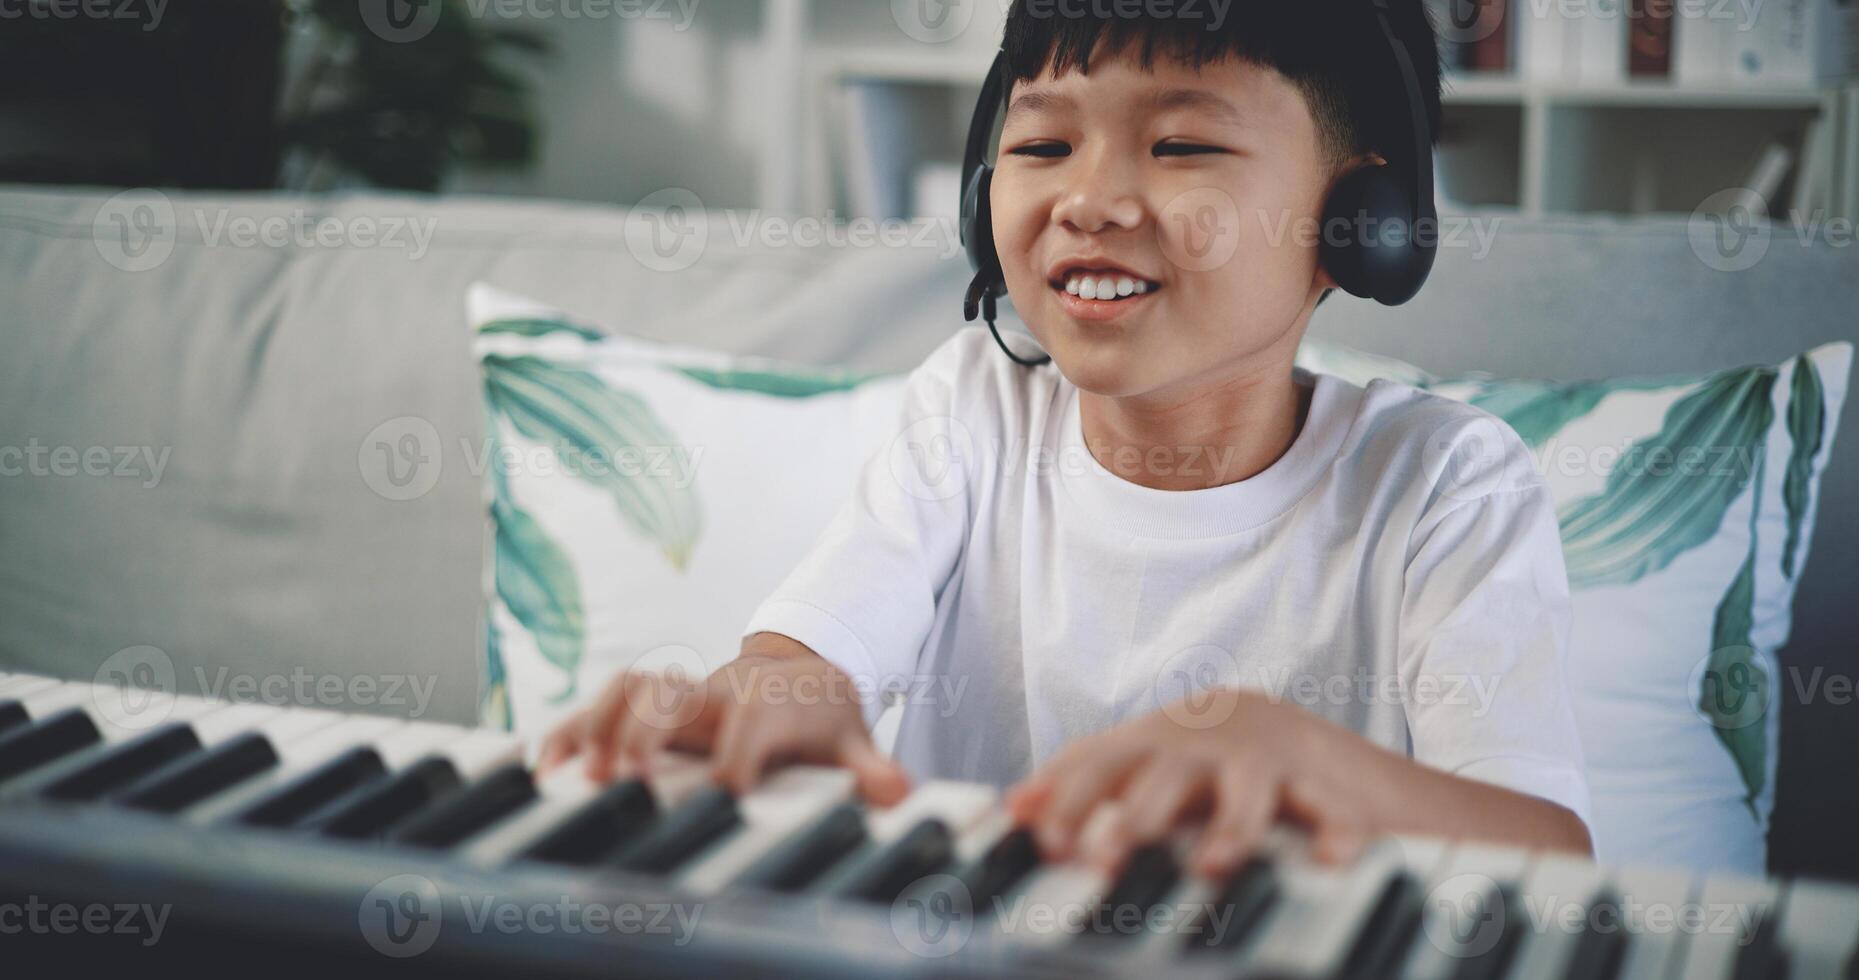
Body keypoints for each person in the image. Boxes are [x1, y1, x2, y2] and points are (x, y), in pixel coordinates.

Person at [540, 0, 1593, 877]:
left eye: (1179, 144)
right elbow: (808, 656)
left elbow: (1548, 850)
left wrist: (1301, 754)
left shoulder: (1444, 485)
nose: (1085, 199)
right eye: (1041, 144)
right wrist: (762, 694)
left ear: (1361, 216)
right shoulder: (972, 411)